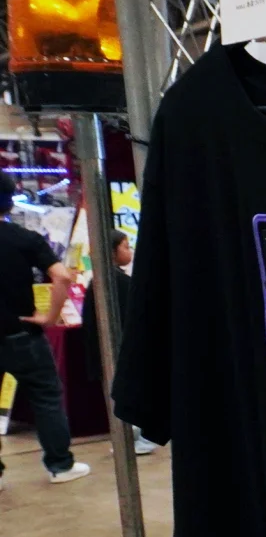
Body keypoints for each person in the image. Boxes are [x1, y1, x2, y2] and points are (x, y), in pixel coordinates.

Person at [0, 195, 89, 485]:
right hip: (22, 333)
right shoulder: (25, 238)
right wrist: (50, 317)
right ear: (9, 203)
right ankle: (60, 465)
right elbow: (62, 276)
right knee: (46, 397)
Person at [80, 229, 156, 455]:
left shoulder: (102, 281)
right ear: (112, 252)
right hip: (120, 351)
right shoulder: (118, 282)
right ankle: (136, 437)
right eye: (125, 246)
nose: (129, 251)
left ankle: (132, 436)